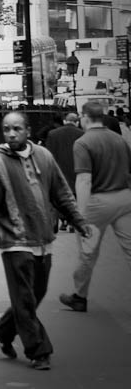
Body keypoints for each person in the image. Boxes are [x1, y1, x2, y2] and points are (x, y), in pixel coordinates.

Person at [0, 111, 90, 371]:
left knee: (36, 294)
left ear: (28, 131)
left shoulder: (44, 156)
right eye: (7, 129)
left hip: (43, 240)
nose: (11, 134)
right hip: (15, 241)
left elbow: (61, 193)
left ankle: (2, 330)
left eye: (17, 129)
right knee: (24, 298)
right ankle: (39, 350)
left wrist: (79, 221)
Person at [58, 100, 131, 313]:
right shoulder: (119, 139)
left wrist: (80, 215)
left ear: (85, 117)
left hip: (98, 203)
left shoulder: (83, 142)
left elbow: (84, 180)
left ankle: (79, 297)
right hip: (124, 199)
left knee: (87, 252)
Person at [43, 112, 83, 229]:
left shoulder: (52, 134)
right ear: (77, 122)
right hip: (75, 169)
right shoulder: (82, 134)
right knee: (74, 196)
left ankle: (57, 222)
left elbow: (48, 154)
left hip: (58, 168)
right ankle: (72, 223)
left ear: (65, 121)